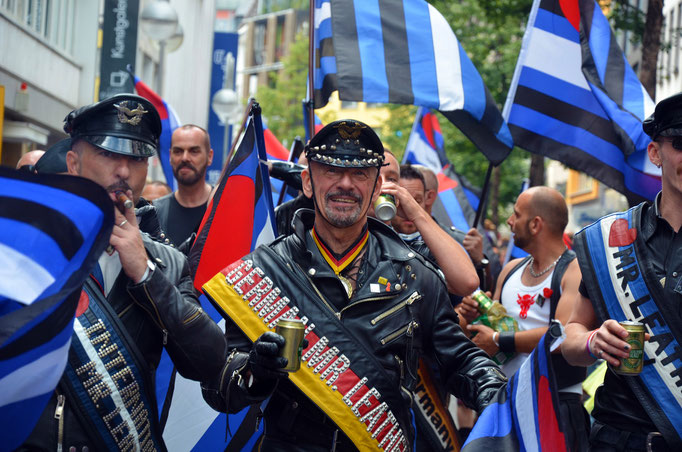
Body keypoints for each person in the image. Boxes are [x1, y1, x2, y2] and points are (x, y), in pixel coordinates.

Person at [201, 119, 507, 451]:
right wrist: (255, 371)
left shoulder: (415, 274)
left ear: (377, 188)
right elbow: (218, 390)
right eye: (332, 171)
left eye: (360, 174)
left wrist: (496, 393)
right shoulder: (265, 270)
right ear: (307, 181)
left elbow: (459, 360)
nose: (346, 184)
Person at [20, 94, 226, 451]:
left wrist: (146, 274)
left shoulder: (168, 263)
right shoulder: (25, 250)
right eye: (107, 154)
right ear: (73, 163)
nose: (123, 172)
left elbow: (208, 362)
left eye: (136, 158)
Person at [562, 93, 682, 452]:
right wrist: (592, 341)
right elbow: (570, 338)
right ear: (655, 153)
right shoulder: (612, 239)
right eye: (680, 144)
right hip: (616, 438)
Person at [460, 186, 588, 451]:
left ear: (535, 224)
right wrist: (473, 314)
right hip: (503, 400)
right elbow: (488, 329)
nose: (509, 221)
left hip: (554, 404)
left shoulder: (574, 270)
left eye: (516, 214)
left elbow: (561, 334)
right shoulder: (510, 270)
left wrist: (498, 339)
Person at [385, 162, 478, 296]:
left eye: (416, 201)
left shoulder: (442, 244)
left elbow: (469, 283)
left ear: (427, 199)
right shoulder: (376, 239)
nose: (407, 208)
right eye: (401, 200)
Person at [414, 164, 497, 290]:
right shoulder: (385, 235)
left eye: (413, 194)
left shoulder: (458, 241)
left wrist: (479, 261)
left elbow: (483, 292)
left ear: (429, 196)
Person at [154, 124, 214, 247]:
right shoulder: (155, 214)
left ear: (209, 156)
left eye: (194, 151)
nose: (185, 158)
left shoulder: (223, 208)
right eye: (178, 151)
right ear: (170, 156)